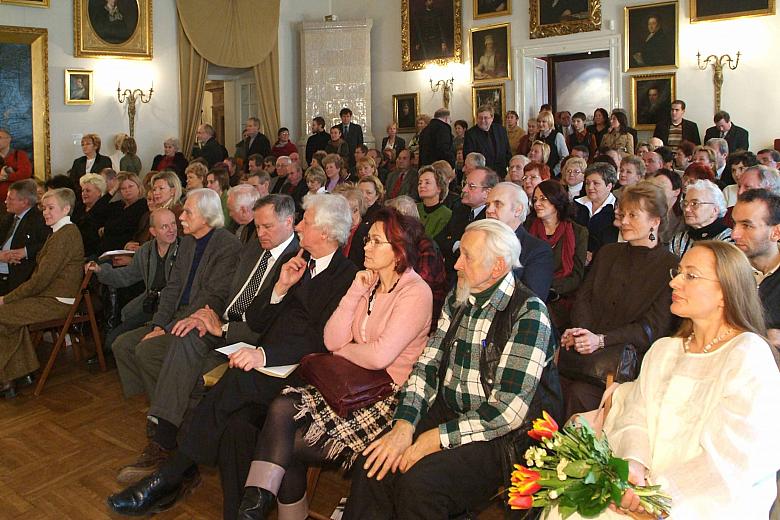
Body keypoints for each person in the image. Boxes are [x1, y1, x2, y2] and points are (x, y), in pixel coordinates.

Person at [107, 194, 357, 517]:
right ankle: (227, 510)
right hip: (267, 365)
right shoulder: (297, 262)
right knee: (235, 427)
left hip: (300, 373)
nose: (297, 226)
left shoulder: (346, 275)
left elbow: (320, 339)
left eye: (305, 222)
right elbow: (256, 319)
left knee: (235, 382)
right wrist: (280, 287)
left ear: (324, 232)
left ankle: (166, 477)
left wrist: (263, 355)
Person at [343, 218, 562, 519]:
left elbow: (508, 411)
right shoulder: (458, 298)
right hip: (449, 411)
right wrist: (404, 425)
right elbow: (426, 366)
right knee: (375, 462)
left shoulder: (528, 314)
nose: (456, 264)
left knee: (420, 483)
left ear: (497, 267)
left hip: (502, 437)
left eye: (467, 257)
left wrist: (435, 438)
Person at [549, 240, 780, 520]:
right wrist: (633, 466)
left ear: (725, 291)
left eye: (691, 276)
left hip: (706, 498)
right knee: (568, 509)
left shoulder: (747, 354)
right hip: (644, 485)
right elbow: (636, 415)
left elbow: (738, 457)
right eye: (678, 273)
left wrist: (659, 496)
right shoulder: (665, 350)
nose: (674, 283)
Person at [231, 207, 433, 519]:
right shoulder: (368, 282)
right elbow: (331, 338)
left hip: (384, 396)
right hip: (349, 383)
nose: (364, 246)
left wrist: (346, 349)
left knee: (285, 445)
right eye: (366, 240)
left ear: (397, 250)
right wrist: (356, 290)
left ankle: (261, 511)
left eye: (375, 242)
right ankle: (252, 508)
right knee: (282, 408)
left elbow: (380, 357)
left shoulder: (416, 292)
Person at [559, 182, 678, 416]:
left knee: (579, 394)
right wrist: (581, 332)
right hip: (586, 354)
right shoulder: (608, 253)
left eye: (633, 215)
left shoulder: (670, 266)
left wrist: (601, 340)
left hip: (627, 362)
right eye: (622, 214)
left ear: (655, 221)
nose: (624, 221)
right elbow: (584, 299)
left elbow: (651, 328)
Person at [111, 188, 241, 404]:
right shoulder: (188, 242)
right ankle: (150, 400)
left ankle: (165, 410)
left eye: (187, 213)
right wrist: (159, 325)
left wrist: (169, 328)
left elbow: (211, 298)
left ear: (206, 215)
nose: (180, 218)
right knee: (122, 345)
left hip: (199, 320)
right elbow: (172, 288)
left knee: (146, 350)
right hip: (177, 315)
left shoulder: (227, 245)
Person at [0, 188, 83, 397]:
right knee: (9, 316)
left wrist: (7, 298)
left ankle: (9, 378)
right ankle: (19, 372)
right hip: (48, 297)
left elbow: (40, 280)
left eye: (51, 208)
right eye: (44, 208)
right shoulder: (58, 232)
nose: (45, 212)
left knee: (3, 313)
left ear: (66, 209)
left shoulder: (66, 235)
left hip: (57, 301)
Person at [88, 208, 180, 355]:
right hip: (150, 305)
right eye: (164, 226)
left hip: (173, 308)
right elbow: (127, 276)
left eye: (173, 224)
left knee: (137, 346)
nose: (171, 230)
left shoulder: (184, 249)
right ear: (153, 231)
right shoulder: (145, 251)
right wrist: (101, 270)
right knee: (112, 342)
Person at [528, 180, 588, 329]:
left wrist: (551, 290)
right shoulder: (527, 227)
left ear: (557, 200)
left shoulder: (578, 232)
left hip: (560, 297)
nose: (537, 204)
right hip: (529, 293)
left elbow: (577, 275)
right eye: (535, 200)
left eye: (543, 199)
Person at [730, 189, 780, 353]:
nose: (734, 234)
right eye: (734, 224)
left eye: (747, 225)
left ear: (776, 232)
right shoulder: (725, 270)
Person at [486, 182, 553, 300]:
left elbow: (531, 301)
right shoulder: (478, 242)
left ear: (518, 210)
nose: (489, 210)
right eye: (487, 205)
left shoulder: (537, 251)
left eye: (498, 204)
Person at [435, 166, 498, 285]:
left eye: (471, 186)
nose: (464, 189)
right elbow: (439, 240)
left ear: (487, 193)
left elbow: (474, 254)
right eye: (465, 184)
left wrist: (456, 244)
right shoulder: (460, 209)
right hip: (449, 276)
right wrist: (456, 244)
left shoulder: (490, 218)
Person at [0, 180, 49, 296]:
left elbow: (47, 244)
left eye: (10, 199)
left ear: (24, 202)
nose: (6, 201)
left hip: (19, 276)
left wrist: (25, 252)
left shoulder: (39, 220)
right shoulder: (9, 217)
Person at [670, 179, 732, 257]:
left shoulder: (728, 241)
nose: (686, 209)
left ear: (714, 210)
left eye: (694, 203)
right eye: (685, 204)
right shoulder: (679, 240)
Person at [575, 162, 619, 262]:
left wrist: (594, 255)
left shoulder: (617, 209)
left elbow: (612, 242)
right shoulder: (576, 205)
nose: (590, 187)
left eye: (596, 183)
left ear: (609, 186)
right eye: (587, 183)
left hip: (603, 261)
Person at [463, 105, 512, 176]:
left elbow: (507, 151)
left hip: (501, 173)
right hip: (482, 174)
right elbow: (469, 157)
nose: (483, 121)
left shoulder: (501, 130)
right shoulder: (471, 134)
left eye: (486, 118)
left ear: (492, 118)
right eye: (480, 118)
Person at [647, 168, 685, 244]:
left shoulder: (682, 221)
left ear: (676, 192)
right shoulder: (646, 213)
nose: (655, 190)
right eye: (653, 186)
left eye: (660, 186)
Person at [416, 165, 452, 240]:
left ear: (439, 188)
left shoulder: (446, 215)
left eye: (427, 183)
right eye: (420, 183)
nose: (422, 186)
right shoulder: (414, 208)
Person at [0, 129, 32, 204]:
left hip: (18, 201)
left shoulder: (19, 155)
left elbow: (25, 174)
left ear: (9, 139)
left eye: (0, 137)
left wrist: (6, 177)